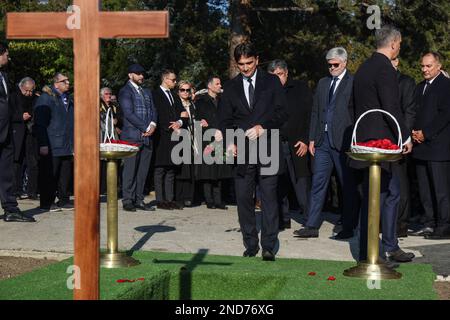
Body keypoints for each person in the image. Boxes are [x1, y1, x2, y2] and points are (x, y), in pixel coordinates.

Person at [219, 42, 288, 261]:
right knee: (243, 198)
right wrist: (230, 141)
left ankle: (268, 245)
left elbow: (282, 113)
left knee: (268, 197)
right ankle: (250, 244)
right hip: (242, 151)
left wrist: (263, 127)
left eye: (249, 63)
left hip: (268, 145)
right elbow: (224, 120)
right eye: (241, 64)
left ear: (257, 60)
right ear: (236, 64)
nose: (246, 68)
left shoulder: (272, 82)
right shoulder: (230, 88)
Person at [352, 25, 414, 263]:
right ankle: (373, 252)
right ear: (394, 43)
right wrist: (404, 136)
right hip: (382, 140)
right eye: (400, 43)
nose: (400, 47)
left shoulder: (364, 68)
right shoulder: (385, 68)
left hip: (366, 138)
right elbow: (391, 105)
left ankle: (386, 247)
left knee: (386, 194)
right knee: (383, 195)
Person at [293, 47, 359, 239]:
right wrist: (312, 138)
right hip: (322, 142)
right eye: (329, 65)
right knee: (318, 183)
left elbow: (356, 113)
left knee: (346, 185)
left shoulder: (353, 83)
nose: (331, 68)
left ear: (345, 62)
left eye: (335, 64)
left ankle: (348, 226)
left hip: (342, 143)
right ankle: (311, 225)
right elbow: (316, 111)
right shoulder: (323, 83)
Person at [267, 59, 312, 230]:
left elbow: (311, 115)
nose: (276, 79)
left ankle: (309, 219)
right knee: (277, 183)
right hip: (274, 143)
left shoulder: (300, 89)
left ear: (286, 73)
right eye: (273, 76)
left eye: (279, 74)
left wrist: (306, 139)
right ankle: (282, 218)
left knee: (301, 183)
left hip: (297, 143)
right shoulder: (267, 92)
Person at [411, 52, 450, 239]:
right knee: (425, 190)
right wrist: (414, 133)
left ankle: (444, 225)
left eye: (429, 66)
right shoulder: (419, 88)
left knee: (440, 190)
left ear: (438, 66)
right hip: (420, 147)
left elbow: (445, 115)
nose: (425, 70)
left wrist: (426, 133)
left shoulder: (446, 86)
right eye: (422, 66)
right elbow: (415, 113)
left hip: (438, 148)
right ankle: (429, 222)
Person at [0, 42, 35, 222]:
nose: (8, 57)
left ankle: (10, 208)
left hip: (6, 133)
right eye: (7, 54)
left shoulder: (4, 75)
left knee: (6, 172)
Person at [119, 64, 157, 212]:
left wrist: (153, 124)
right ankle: (127, 200)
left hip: (147, 137)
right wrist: (145, 127)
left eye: (142, 73)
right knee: (130, 170)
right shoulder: (125, 91)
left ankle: (139, 199)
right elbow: (128, 113)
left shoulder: (146, 91)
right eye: (138, 73)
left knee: (142, 171)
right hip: (132, 136)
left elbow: (154, 110)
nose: (141, 76)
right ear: (130, 75)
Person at [34, 72, 74, 212]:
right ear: (56, 83)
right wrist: (43, 143)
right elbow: (40, 123)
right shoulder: (46, 98)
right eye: (64, 81)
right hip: (52, 142)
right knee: (50, 174)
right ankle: (46, 202)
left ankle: (64, 199)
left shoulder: (68, 99)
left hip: (67, 142)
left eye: (68, 81)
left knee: (65, 173)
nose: (68, 83)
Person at [390, 58, 417, 238]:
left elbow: (409, 110)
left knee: (400, 184)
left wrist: (404, 137)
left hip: (399, 139)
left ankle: (401, 224)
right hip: (381, 140)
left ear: (397, 62)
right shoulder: (379, 81)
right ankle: (386, 223)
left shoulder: (406, 82)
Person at [195, 76, 231, 209]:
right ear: (209, 86)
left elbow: (228, 119)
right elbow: (198, 121)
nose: (219, 85)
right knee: (208, 171)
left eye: (220, 83)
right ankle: (208, 199)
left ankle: (218, 200)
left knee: (220, 170)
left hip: (221, 138)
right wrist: (210, 130)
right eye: (217, 83)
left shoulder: (223, 101)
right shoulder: (200, 102)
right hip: (207, 139)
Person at [153, 70, 184, 210]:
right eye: (173, 80)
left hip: (174, 135)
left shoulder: (174, 95)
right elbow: (156, 113)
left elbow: (183, 112)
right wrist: (169, 126)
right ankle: (160, 200)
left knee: (171, 169)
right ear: (165, 79)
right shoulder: (155, 94)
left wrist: (179, 122)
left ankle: (170, 199)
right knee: (160, 168)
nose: (175, 82)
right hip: (161, 135)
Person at [10, 77, 39, 200]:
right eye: (26, 90)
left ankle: (32, 191)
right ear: (21, 87)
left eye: (31, 91)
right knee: (17, 162)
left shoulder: (35, 99)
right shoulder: (13, 97)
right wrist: (20, 117)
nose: (29, 93)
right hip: (17, 132)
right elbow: (7, 114)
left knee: (33, 162)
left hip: (31, 133)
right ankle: (16, 191)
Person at [174, 80, 198, 207]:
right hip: (179, 138)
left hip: (192, 139)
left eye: (187, 90)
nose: (185, 92)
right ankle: (179, 197)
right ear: (178, 91)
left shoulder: (193, 105)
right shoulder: (176, 104)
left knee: (190, 168)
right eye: (182, 90)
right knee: (180, 168)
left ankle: (189, 197)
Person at [100, 87, 122, 195]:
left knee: (114, 159)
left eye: (110, 94)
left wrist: (117, 122)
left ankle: (113, 186)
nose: (108, 96)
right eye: (106, 94)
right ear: (101, 95)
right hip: (102, 135)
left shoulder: (114, 106)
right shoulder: (99, 105)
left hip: (113, 135)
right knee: (103, 161)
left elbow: (119, 118)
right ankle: (103, 188)